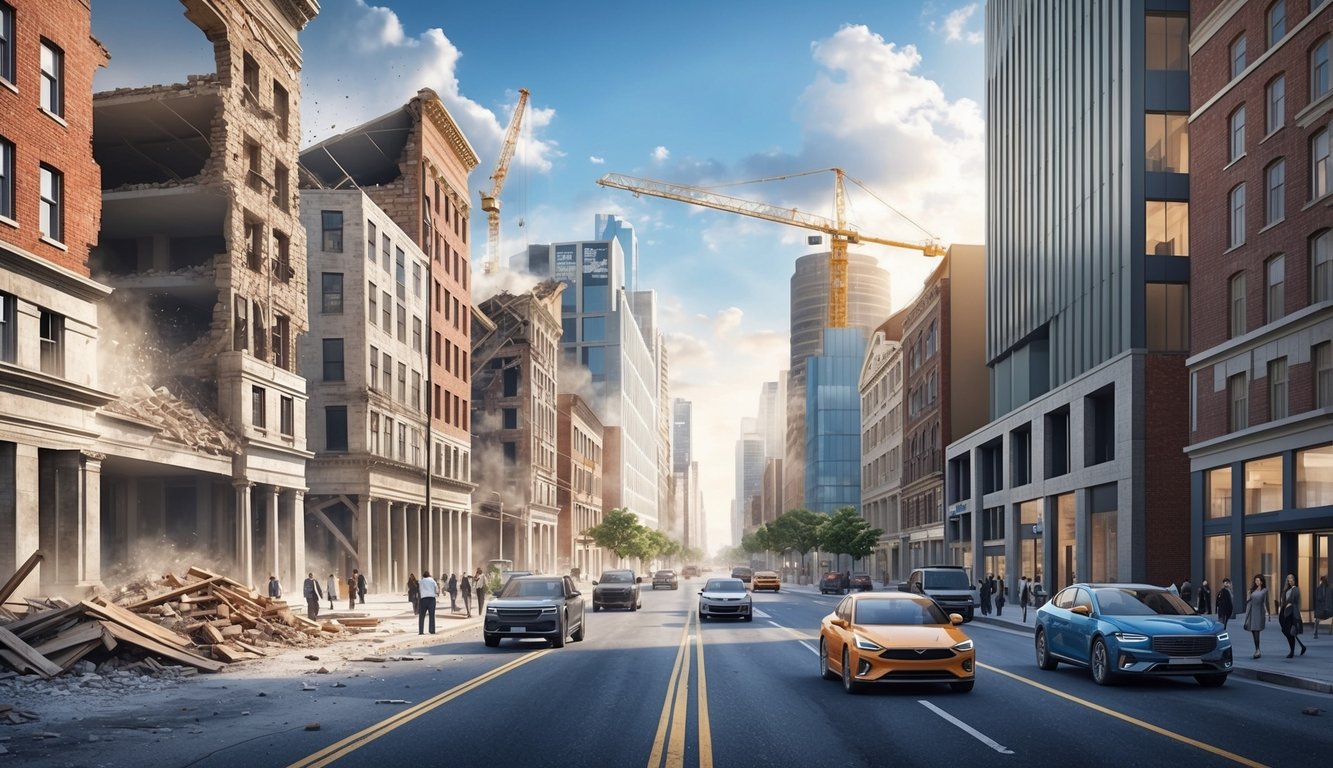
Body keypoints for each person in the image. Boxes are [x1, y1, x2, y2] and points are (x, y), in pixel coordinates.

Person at [1279, 573, 1307, 658]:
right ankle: (1302, 646)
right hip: (1284, 612)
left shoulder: (1295, 589)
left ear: (1295, 580)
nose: (1290, 580)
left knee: (1289, 632)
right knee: (1285, 631)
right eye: (1288, 578)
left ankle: (1292, 651)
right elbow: (1283, 601)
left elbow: (1294, 600)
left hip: (1290, 613)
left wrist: (1290, 604)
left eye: (1292, 578)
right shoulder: (1286, 589)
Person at [1244, 574, 1269, 659]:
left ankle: (1258, 650)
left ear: (1262, 582)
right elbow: (1248, 602)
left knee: (1256, 631)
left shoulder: (1264, 590)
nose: (1256, 582)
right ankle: (1257, 649)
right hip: (1251, 612)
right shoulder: (1251, 590)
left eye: (1258, 580)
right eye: (1255, 580)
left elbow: (1266, 602)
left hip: (1259, 612)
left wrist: (1267, 613)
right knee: (1253, 631)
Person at [417, 570, 438, 634]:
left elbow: (419, 590)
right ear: (429, 575)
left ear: (423, 575)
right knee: (432, 615)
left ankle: (421, 631)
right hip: (432, 599)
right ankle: (432, 630)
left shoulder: (421, 581)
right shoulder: (432, 581)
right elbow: (436, 590)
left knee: (421, 616)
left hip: (423, 599)